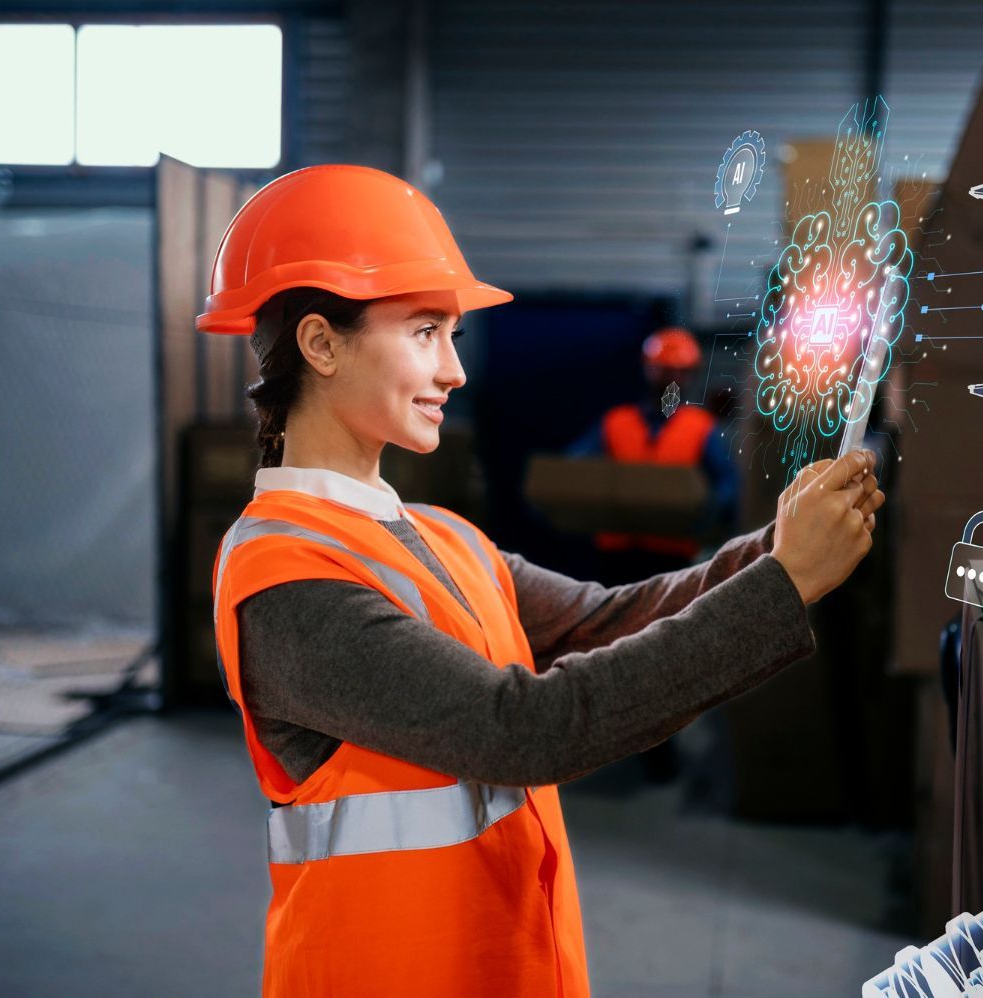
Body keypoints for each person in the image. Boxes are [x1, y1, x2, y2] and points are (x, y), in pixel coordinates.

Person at [199, 164, 883, 998]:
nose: (454, 371)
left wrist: (780, 548)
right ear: (320, 343)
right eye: (424, 332)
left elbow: (611, 619)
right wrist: (783, 585)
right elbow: (526, 729)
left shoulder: (442, 538)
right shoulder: (285, 581)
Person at [568, 325, 740, 582]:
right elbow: (572, 471)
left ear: (691, 376)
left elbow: (728, 484)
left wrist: (705, 514)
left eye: (681, 372)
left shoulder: (701, 427)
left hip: (673, 554)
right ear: (648, 369)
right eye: (664, 370)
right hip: (617, 553)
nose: (672, 379)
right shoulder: (615, 423)